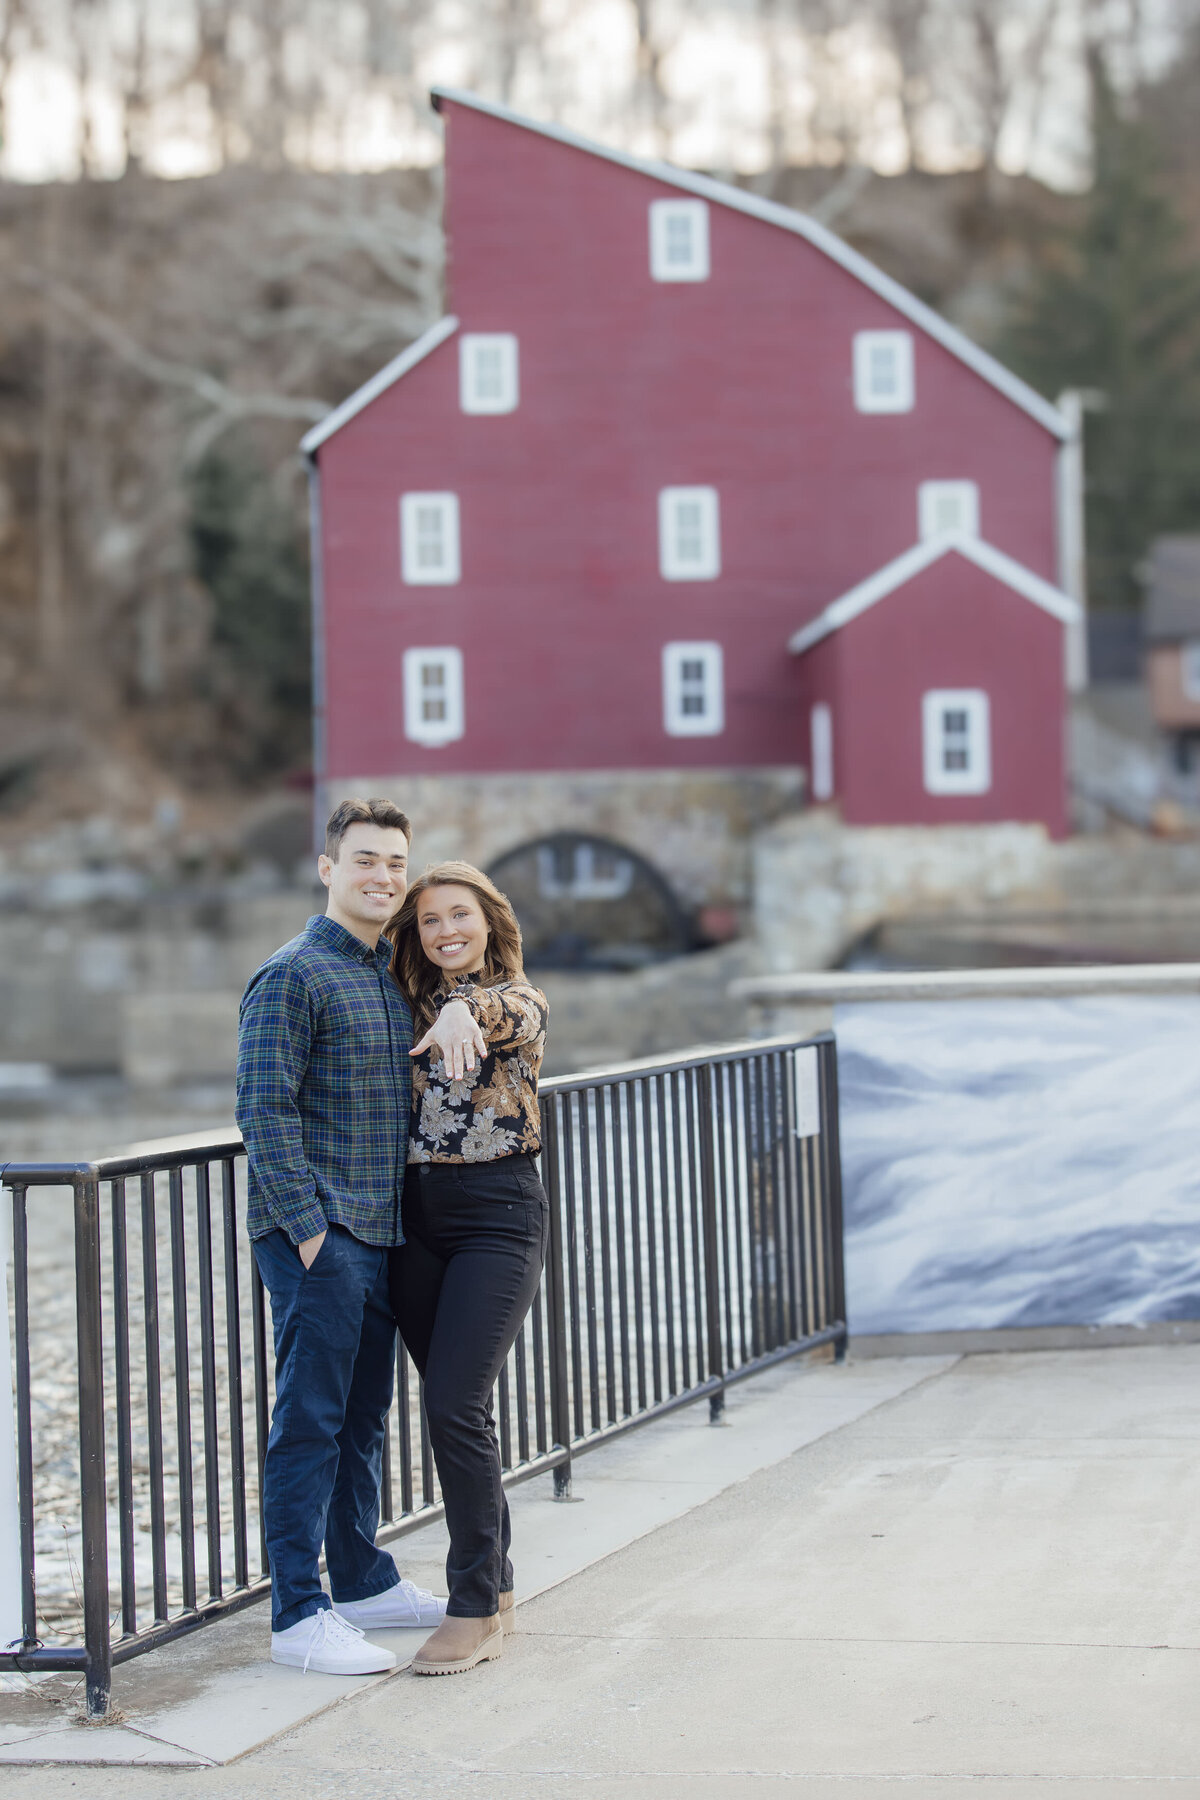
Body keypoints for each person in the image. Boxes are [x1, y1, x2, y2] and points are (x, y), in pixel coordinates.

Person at [236, 798, 476, 1676]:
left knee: (363, 1419)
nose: (383, 876)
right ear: (328, 868)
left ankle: (363, 1582)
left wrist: (461, 1009)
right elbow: (263, 1111)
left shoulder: (391, 975)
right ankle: (298, 1615)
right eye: (366, 859)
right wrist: (309, 1234)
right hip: (323, 1235)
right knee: (309, 1422)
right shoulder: (291, 975)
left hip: (384, 1234)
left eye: (395, 863)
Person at [387, 861, 550, 1676]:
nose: (446, 930)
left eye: (460, 915)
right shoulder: (404, 1005)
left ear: (489, 922)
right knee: (460, 1411)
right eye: (430, 920)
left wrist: (462, 1007)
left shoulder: (519, 1000)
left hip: (498, 1217)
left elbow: (505, 1010)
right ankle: (500, 1588)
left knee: (453, 1403)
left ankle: (473, 1604)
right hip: (415, 1224)